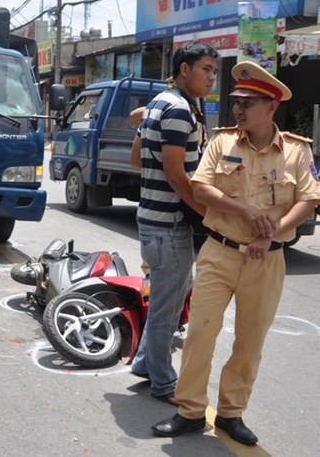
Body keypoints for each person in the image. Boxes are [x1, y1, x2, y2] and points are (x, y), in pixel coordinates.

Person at [152, 61, 320, 445]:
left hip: (267, 260)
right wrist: (246, 211)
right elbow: (200, 190)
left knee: (250, 341)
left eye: (248, 102)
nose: (239, 109)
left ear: (271, 107)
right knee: (200, 334)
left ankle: (231, 414)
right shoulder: (222, 142)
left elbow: (309, 200)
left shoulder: (296, 151)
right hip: (219, 251)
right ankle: (190, 411)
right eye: (237, 101)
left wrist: (271, 233)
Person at [130, 41, 218, 405]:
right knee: (167, 308)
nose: (212, 77)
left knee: (174, 294)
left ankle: (143, 363)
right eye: (206, 69)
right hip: (168, 225)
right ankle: (164, 383)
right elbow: (175, 174)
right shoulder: (179, 109)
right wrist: (206, 213)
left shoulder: (159, 104)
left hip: (153, 219)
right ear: (185, 70)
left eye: (215, 71)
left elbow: (137, 159)